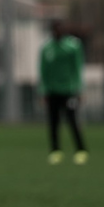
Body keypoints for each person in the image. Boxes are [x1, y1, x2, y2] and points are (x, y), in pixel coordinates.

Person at [39, 20, 88, 165]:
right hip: (52, 91)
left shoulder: (73, 46)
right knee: (53, 122)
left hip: (69, 90)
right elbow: (43, 70)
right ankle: (55, 151)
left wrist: (79, 88)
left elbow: (77, 68)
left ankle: (81, 150)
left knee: (72, 121)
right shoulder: (46, 48)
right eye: (55, 29)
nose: (58, 32)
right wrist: (43, 90)